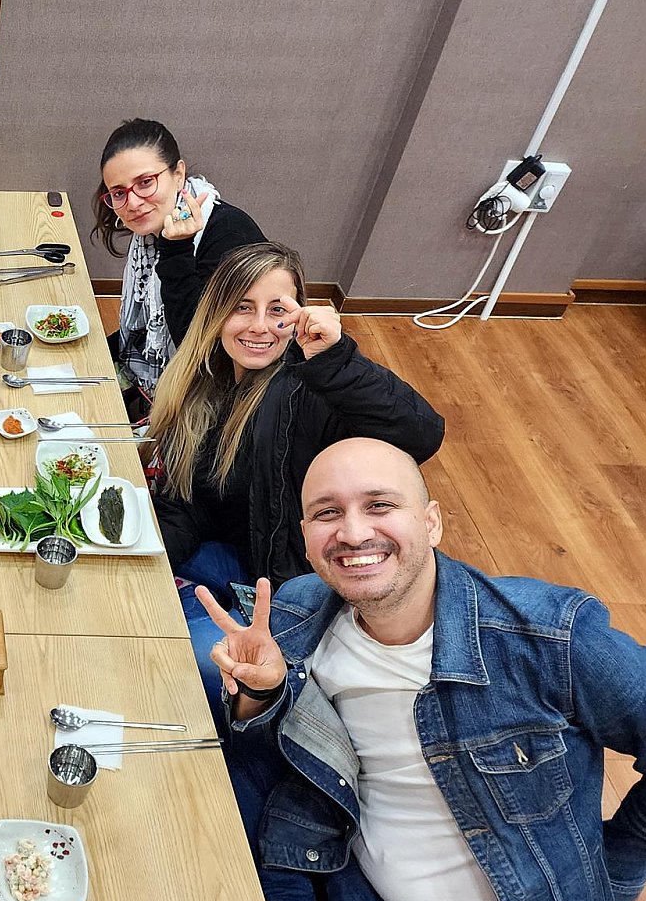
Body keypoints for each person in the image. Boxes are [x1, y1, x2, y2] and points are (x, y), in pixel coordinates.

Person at [198, 438, 646, 901]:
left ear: (432, 521)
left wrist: (613, 874)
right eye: (327, 513)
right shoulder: (303, 608)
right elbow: (295, 748)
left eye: (380, 505)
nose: (353, 532)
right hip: (344, 857)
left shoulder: (550, 637)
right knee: (212, 679)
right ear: (306, 535)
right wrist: (261, 695)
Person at [144, 241, 444, 728]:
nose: (260, 326)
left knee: (193, 662)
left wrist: (335, 360)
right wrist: (154, 547)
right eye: (243, 307)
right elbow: (196, 502)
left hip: (292, 588)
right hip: (236, 554)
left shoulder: (310, 388)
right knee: (131, 593)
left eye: (277, 310)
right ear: (217, 313)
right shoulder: (207, 380)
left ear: (299, 316)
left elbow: (422, 434)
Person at [91, 118, 265, 406]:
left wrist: (176, 250)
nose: (133, 203)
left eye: (145, 182)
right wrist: (95, 353)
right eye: (119, 193)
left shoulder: (229, 235)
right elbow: (144, 330)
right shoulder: (151, 234)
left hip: (217, 396)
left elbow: (197, 347)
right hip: (160, 375)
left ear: (178, 174)